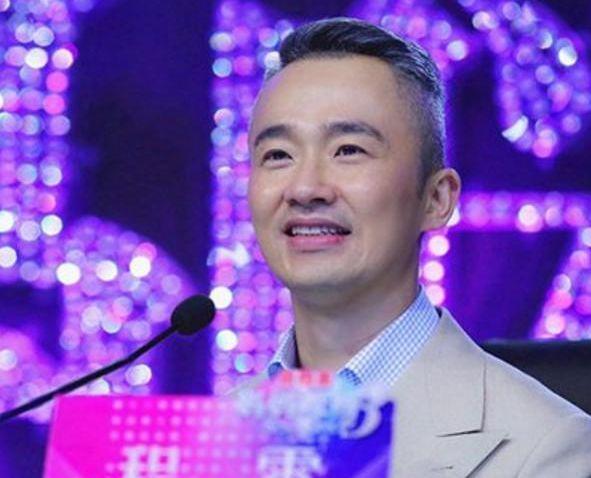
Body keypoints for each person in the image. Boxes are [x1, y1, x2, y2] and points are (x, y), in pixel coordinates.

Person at [245, 17, 591, 476]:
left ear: (436, 199)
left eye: (348, 150)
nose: (305, 188)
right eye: (278, 155)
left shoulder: (551, 448)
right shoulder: (204, 446)